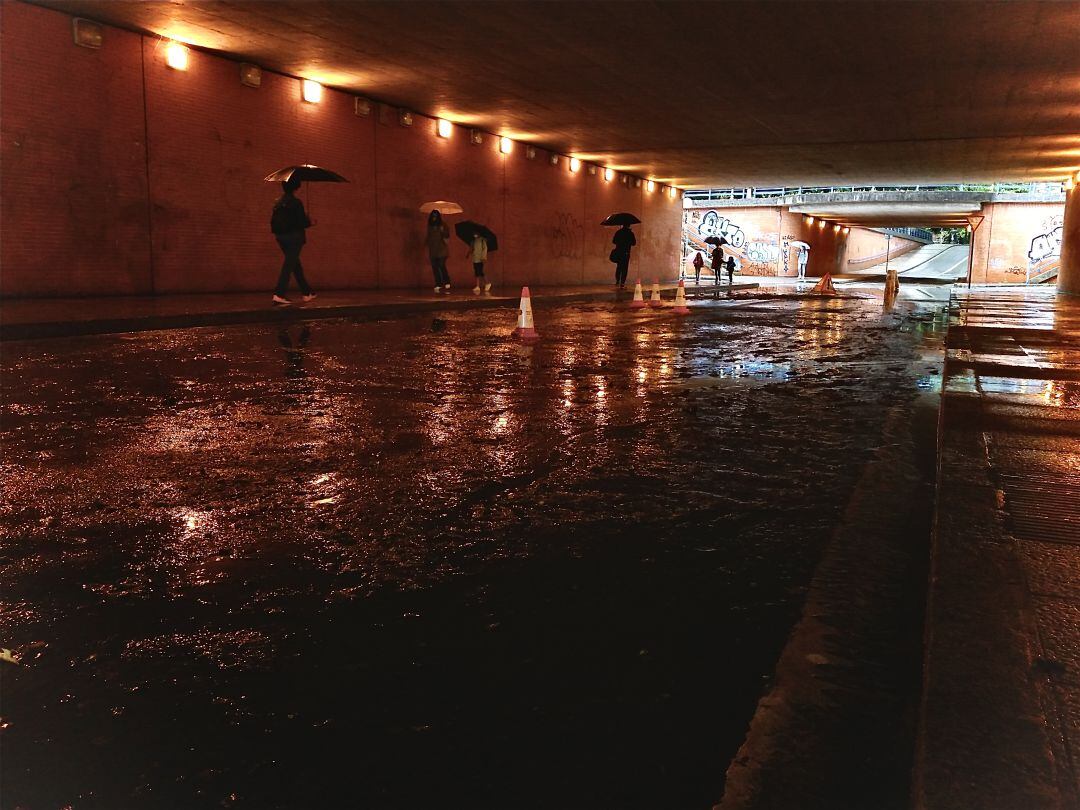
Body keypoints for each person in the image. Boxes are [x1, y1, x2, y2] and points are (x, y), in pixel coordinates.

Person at [269, 176, 316, 306]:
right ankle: (279, 294)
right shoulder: (296, 203)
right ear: (296, 186)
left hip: (280, 237)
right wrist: (310, 222)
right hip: (294, 238)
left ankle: (307, 293)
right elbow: (301, 222)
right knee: (289, 265)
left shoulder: (277, 203)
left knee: (294, 264)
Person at [426, 210, 451, 293]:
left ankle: (447, 281)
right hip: (433, 250)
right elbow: (428, 236)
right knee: (435, 267)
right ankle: (438, 283)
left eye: (436, 216)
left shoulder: (443, 225)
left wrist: (442, 231)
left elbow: (447, 237)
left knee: (441, 265)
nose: (434, 218)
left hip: (441, 250)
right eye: (433, 216)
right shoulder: (430, 226)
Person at [611, 224, 637, 289]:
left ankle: (617, 281)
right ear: (629, 226)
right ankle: (622, 283)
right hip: (626, 253)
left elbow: (614, 241)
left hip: (619, 252)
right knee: (625, 268)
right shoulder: (630, 233)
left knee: (619, 267)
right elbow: (634, 243)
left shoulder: (618, 232)